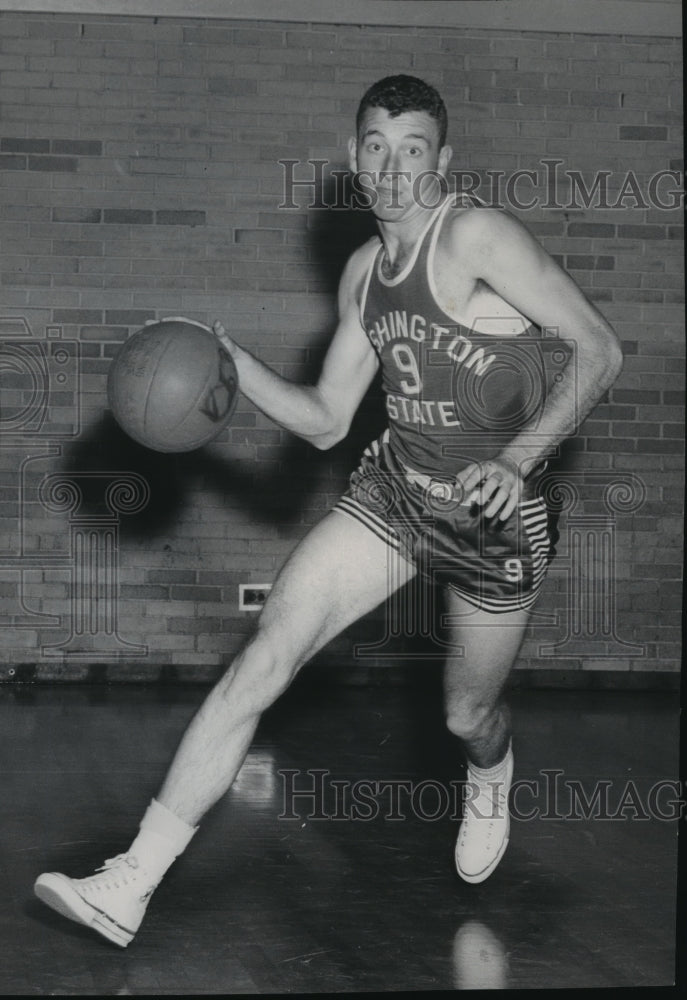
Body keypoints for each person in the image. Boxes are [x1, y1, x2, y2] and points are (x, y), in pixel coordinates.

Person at [34, 75, 623, 947]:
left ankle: (490, 774)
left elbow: (599, 349)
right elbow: (324, 422)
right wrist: (229, 363)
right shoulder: (362, 275)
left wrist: (516, 457)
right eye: (375, 148)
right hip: (394, 496)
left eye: (412, 148)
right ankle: (130, 883)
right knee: (264, 657)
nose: (391, 167)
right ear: (354, 159)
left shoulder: (475, 238)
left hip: (498, 521)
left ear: (442, 161)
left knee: (466, 714)